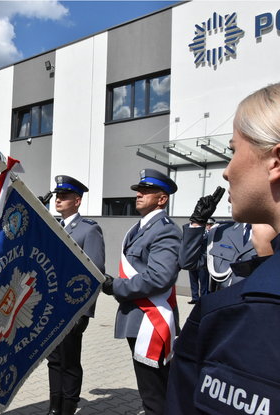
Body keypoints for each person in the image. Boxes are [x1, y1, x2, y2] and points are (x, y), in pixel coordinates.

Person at [166, 82, 280, 414]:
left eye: (233, 150)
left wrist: (266, 254)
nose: (227, 171)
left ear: (274, 162)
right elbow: (188, 261)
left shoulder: (230, 311)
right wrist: (198, 224)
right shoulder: (225, 231)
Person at [101, 168, 181, 415]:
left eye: (147, 191)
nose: (139, 194)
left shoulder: (165, 229)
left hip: (151, 321)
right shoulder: (141, 227)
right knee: (151, 390)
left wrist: (116, 286)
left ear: (162, 198)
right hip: (137, 318)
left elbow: (160, 277)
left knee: (155, 394)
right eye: (138, 190)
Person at [45, 175, 105, 415]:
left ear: (77, 201)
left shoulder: (89, 230)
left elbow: (96, 272)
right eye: (58, 195)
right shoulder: (54, 226)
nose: (58, 199)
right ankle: (53, 408)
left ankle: (68, 408)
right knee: (54, 360)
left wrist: (84, 310)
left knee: (69, 361)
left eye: (65, 196)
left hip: (73, 308)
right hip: (51, 307)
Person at [179, 187, 256, 293]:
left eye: (236, 182)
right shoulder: (222, 231)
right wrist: (197, 221)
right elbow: (188, 262)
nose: (230, 190)